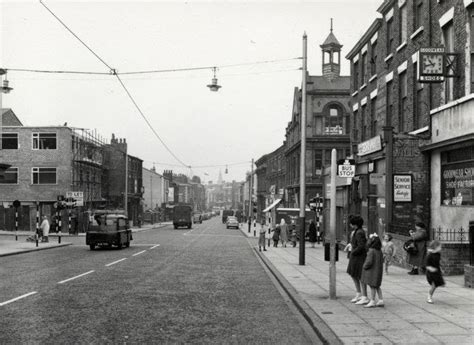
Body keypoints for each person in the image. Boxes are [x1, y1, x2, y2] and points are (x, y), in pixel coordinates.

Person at [346, 215, 369, 305]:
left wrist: (353, 251)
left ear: (354, 224)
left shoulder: (359, 232)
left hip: (359, 257)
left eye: (351, 223)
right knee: (353, 275)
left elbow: (361, 246)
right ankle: (359, 293)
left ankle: (365, 296)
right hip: (355, 256)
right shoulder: (357, 231)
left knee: (360, 276)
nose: (350, 224)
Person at [361, 234, 384, 308]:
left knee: (372, 286)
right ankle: (381, 300)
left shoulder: (371, 251)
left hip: (372, 271)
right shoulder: (379, 250)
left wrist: (364, 266)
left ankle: (372, 300)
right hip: (378, 270)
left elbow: (369, 261)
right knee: (377, 285)